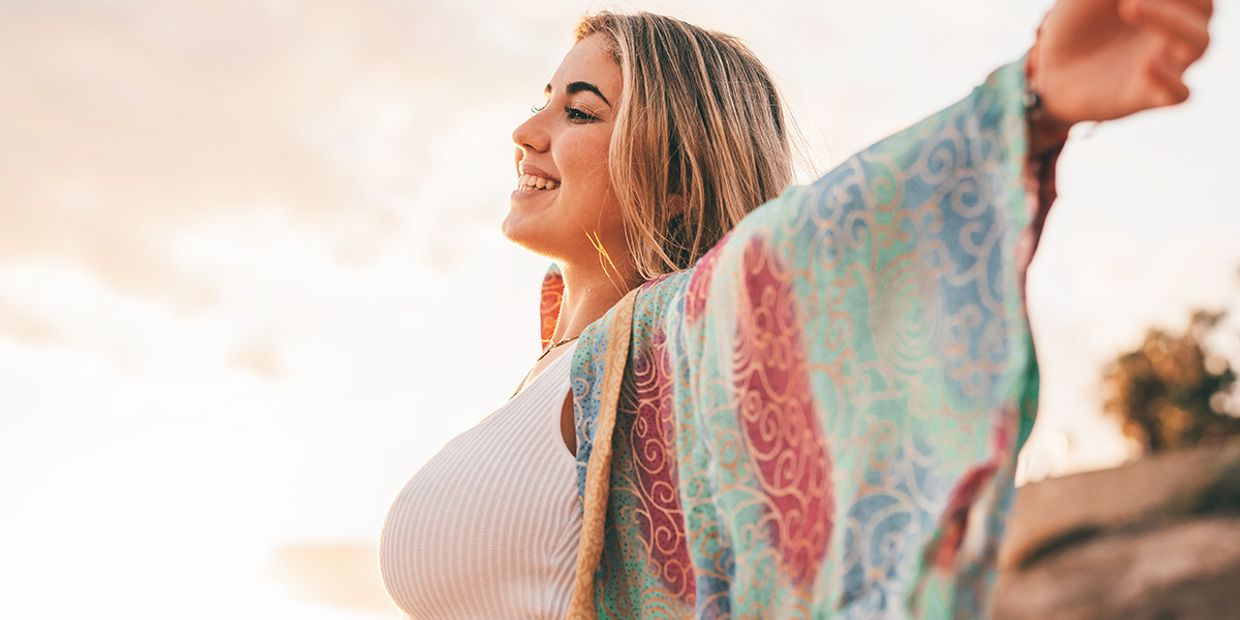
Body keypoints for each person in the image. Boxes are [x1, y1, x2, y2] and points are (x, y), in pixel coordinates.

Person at [380, 1, 1214, 618]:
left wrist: (1029, 101)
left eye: (578, 110)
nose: (527, 130)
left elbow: (816, 249)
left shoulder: (674, 348)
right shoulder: (563, 375)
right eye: (544, 99)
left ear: (675, 173)